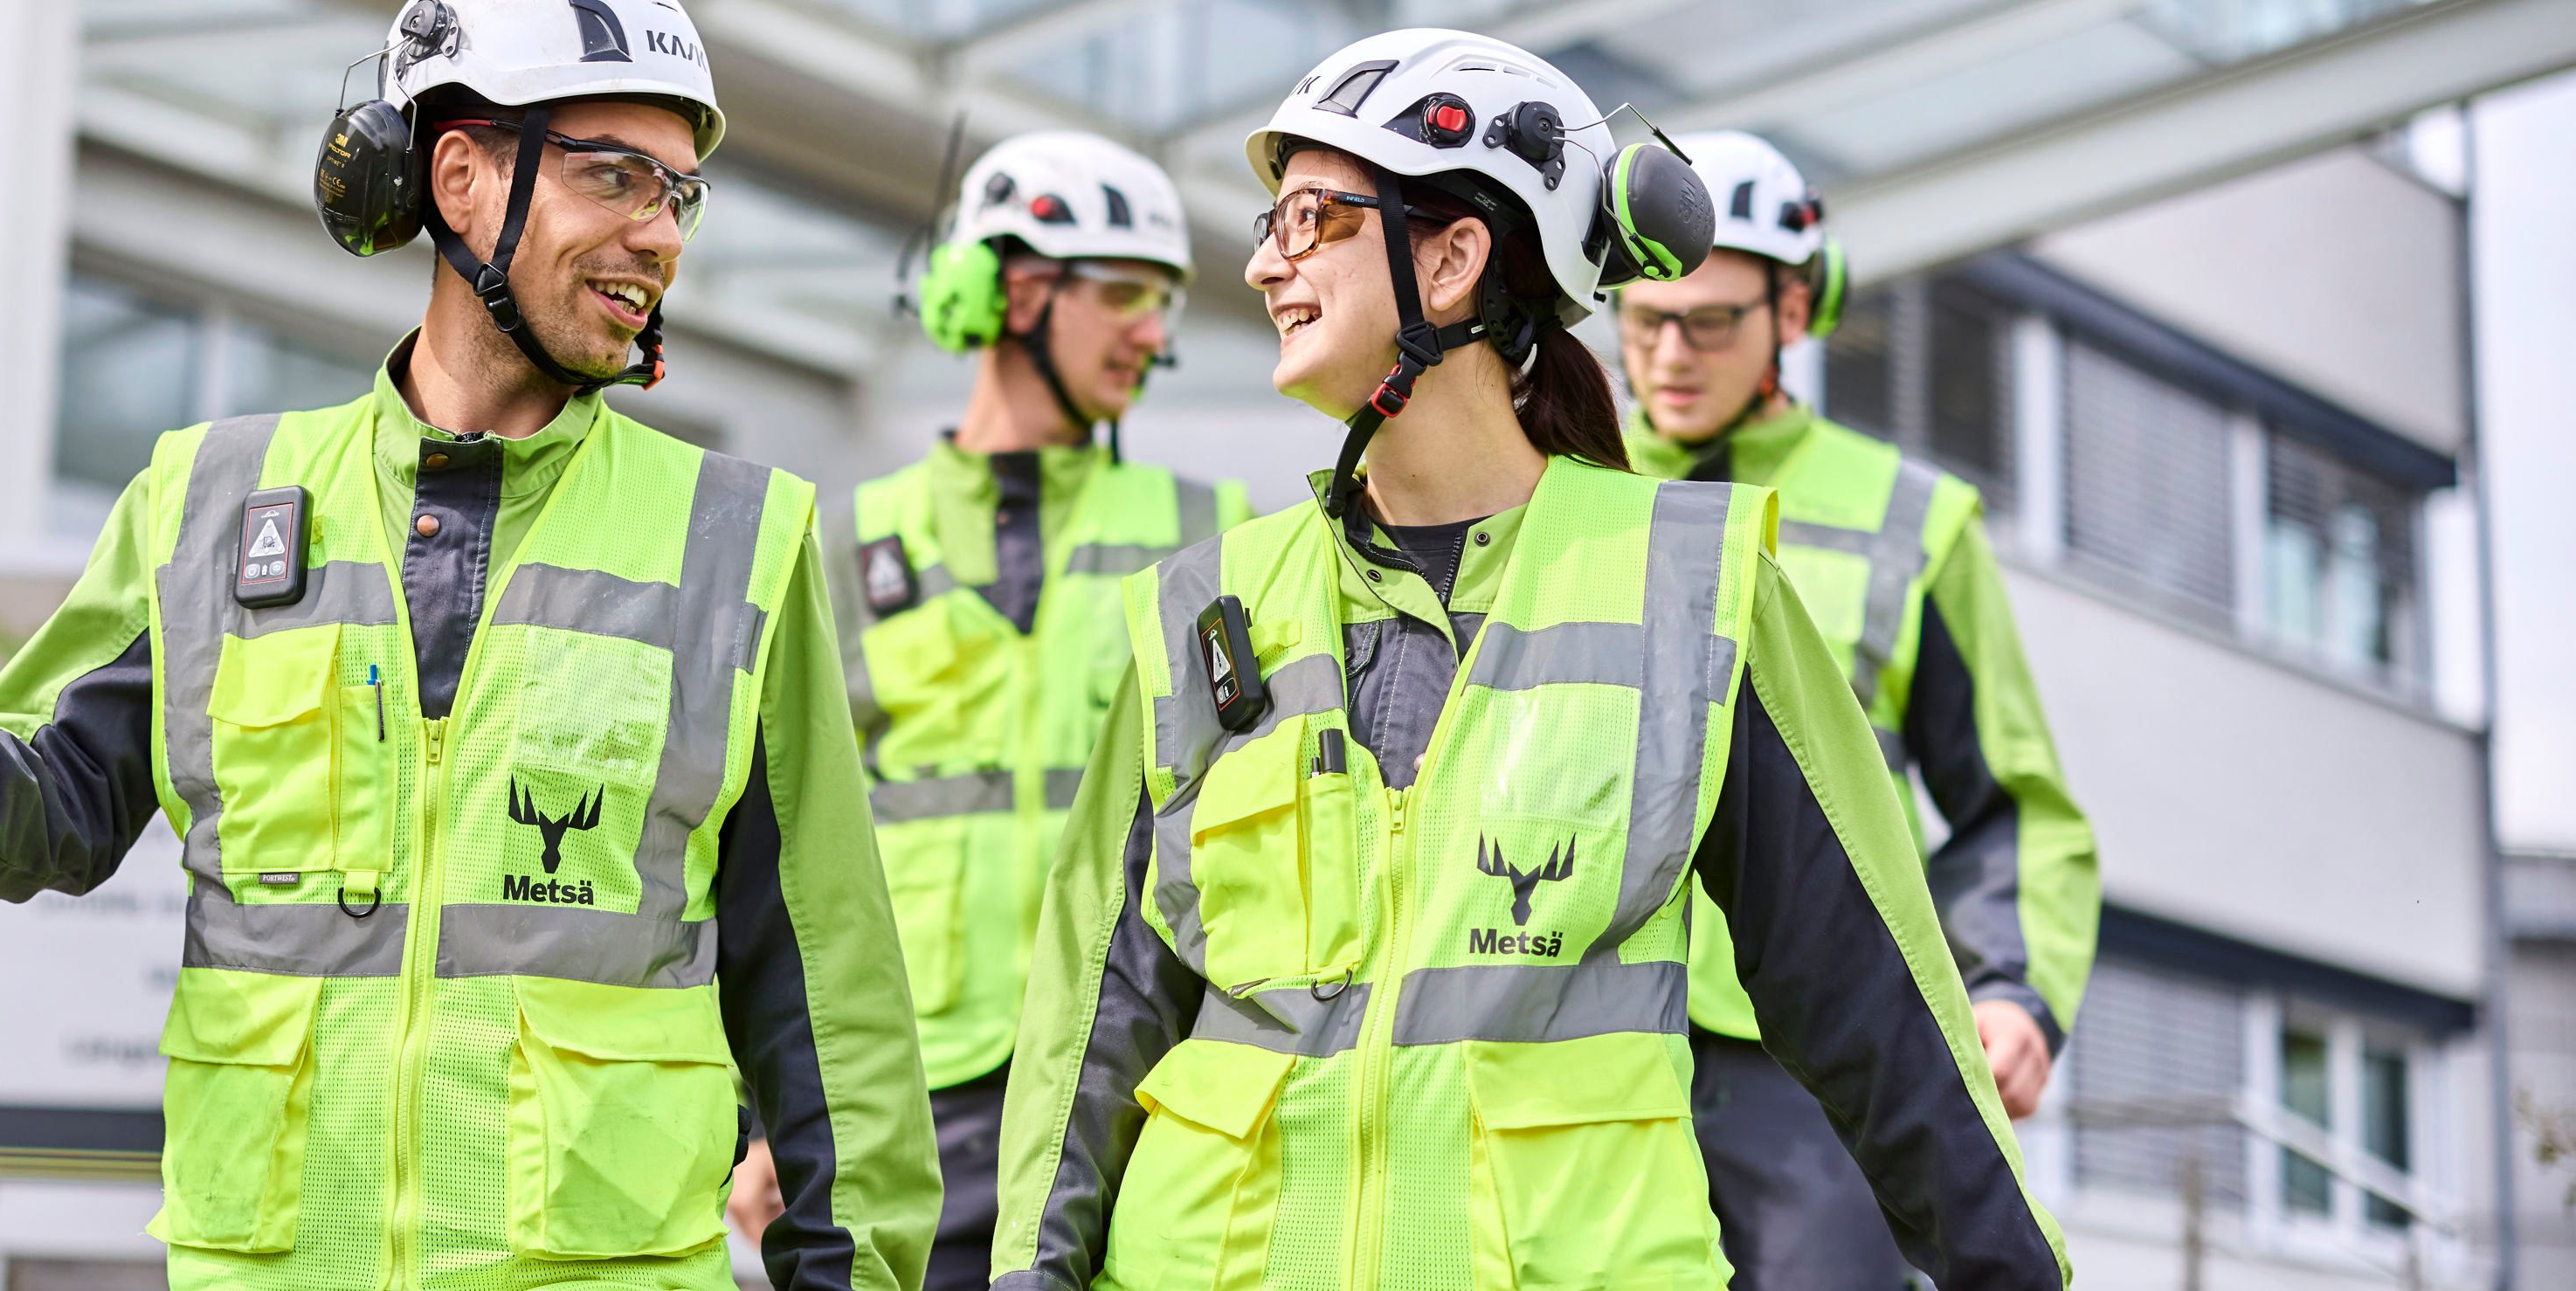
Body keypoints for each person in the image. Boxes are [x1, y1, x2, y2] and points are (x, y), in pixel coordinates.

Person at [0, 1, 939, 1287]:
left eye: (679, 194)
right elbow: (62, 807)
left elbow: (831, 995)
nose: (660, 237)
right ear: (461, 179)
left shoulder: (739, 538)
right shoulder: (208, 501)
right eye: (616, 176)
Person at [988, 30, 2070, 1291]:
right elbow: (1094, 1016)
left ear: (1454, 260)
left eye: (1309, 216)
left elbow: (1874, 997)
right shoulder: (1204, 603)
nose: (1263, 261)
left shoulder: (1691, 586)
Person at [729, 131, 1249, 1290]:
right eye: (1123, 294)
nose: (1153, 333)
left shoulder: (1211, 533)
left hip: (1132, 1072)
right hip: (909, 1088)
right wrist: (766, 1111)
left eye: (1161, 302)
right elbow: (771, 853)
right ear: (1016, 290)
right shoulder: (843, 539)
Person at [1615, 129, 2101, 1290]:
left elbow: (2013, 808)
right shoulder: (1556, 489)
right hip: (1592, 1037)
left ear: (1797, 309)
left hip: (1816, 1069)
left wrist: (2012, 988)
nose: (1671, 355)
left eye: (1712, 321)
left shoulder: (1914, 520)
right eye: (1643, 322)